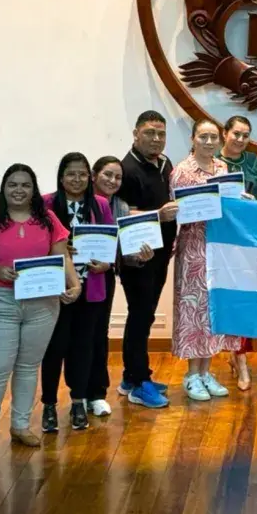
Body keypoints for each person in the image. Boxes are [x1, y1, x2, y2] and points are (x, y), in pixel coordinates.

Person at [0, 164, 81, 456]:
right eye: (13, 184)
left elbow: (62, 256)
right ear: (4, 188)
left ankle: (20, 426)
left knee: (29, 367)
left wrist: (74, 283)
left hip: (42, 303)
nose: (19, 190)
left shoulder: (48, 219)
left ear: (34, 190)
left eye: (25, 185)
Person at [39, 153, 114, 433]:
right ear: (61, 177)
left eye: (83, 174)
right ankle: (48, 404)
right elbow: (37, 243)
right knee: (54, 348)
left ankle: (78, 401)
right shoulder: (46, 204)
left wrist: (106, 263)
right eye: (71, 173)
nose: (77, 179)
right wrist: (57, 250)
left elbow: (111, 241)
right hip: (56, 289)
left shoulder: (100, 204)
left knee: (84, 347)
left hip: (90, 288)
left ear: (90, 177)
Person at [170, 119, 244, 401]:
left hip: (218, 247)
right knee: (194, 310)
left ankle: (206, 372)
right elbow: (180, 212)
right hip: (194, 247)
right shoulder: (182, 171)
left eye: (213, 137)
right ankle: (192, 374)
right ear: (193, 139)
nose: (209, 142)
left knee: (213, 308)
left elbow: (229, 205)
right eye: (203, 137)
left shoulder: (223, 168)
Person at [116, 110, 179, 409]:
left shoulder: (165, 164)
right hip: (137, 256)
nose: (156, 139)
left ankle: (131, 377)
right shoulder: (125, 169)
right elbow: (119, 211)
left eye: (161, 133)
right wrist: (157, 215)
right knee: (140, 315)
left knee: (145, 315)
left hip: (161, 253)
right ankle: (140, 383)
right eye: (150, 133)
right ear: (136, 134)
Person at [86, 156, 154, 418]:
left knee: (98, 334)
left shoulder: (121, 207)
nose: (113, 181)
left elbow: (126, 252)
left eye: (118, 177)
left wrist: (141, 257)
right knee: (74, 339)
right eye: (107, 175)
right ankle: (76, 395)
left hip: (103, 278)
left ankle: (97, 393)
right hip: (72, 279)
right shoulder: (79, 203)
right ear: (94, 175)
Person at [219, 115, 257, 392]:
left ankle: (239, 354)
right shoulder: (212, 161)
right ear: (225, 133)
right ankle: (240, 360)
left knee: (246, 301)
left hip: (248, 240)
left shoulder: (254, 162)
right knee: (228, 300)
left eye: (245, 135)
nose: (240, 139)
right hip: (219, 241)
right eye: (236, 133)